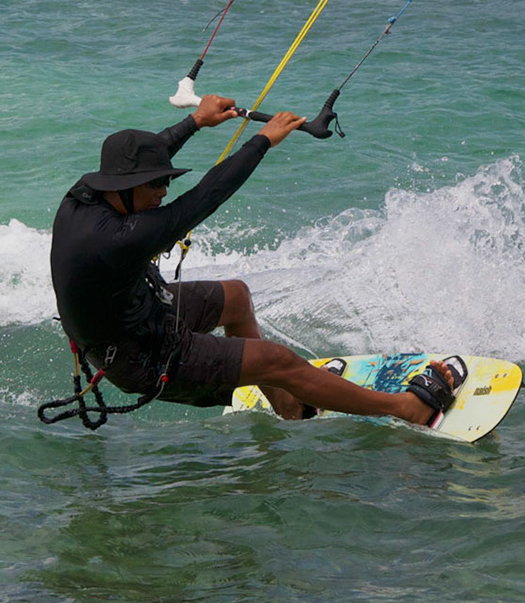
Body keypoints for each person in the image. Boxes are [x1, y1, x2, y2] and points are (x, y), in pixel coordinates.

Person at [49, 92, 462, 423]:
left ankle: (288, 404)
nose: (163, 190)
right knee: (275, 358)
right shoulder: (117, 238)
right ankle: (406, 408)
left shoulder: (88, 198)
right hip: (140, 357)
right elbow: (206, 196)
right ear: (124, 187)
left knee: (236, 298)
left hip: (141, 312)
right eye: (156, 184)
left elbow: (145, 156)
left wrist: (195, 121)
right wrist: (263, 140)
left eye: (164, 180)